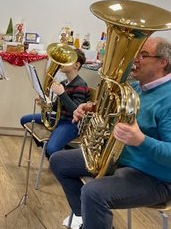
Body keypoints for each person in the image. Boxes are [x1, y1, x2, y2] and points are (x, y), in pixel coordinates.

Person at [50, 36, 171, 229]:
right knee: (58, 161)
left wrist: (141, 140)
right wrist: (91, 108)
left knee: (93, 193)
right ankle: (91, 220)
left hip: (156, 177)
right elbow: (112, 111)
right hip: (122, 159)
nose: (135, 60)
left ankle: (93, 220)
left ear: (162, 62)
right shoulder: (135, 88)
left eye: (143, 55)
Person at [20, 48, 90, 157]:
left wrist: (62, 94)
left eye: (67, 60)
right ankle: (47, 150)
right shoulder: (63, 82)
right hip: (58, 118)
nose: (62, 63)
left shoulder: (81, 85)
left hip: (70, 123)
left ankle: (53, 154)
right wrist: (45, 103)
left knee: (52, 148)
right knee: (25, 120)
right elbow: (56, 107)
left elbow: (76, 111)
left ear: (76, 65)